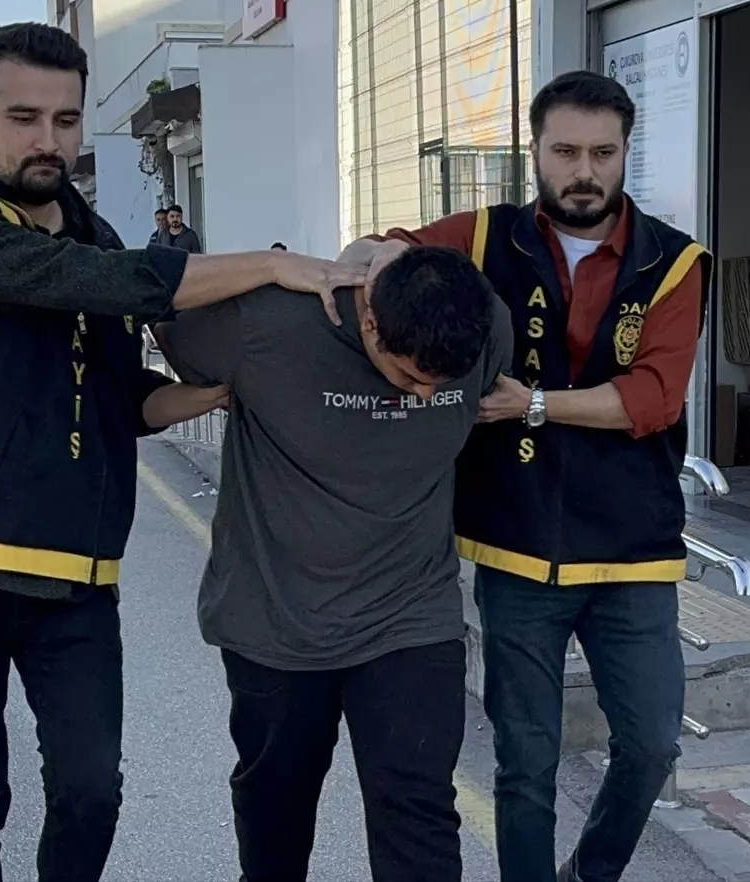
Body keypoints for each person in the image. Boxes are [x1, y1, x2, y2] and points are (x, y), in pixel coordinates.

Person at [0, 21, 364, 882]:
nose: (47, 140)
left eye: (65, 120)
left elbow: (113, 393)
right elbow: (92, 284)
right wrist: (271, 265)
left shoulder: (90, 233)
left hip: (75, 567)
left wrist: (213, 392)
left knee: (92, 792)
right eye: (23, 118)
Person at [343, 70, 711, 882]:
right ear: (535, 151)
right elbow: (381, 250)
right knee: (525, 762)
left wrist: (533, 404)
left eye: (603, 153)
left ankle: (590, 872)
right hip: (515, 549)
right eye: (566, 151)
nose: (585, 171)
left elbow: (654, 398)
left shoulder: (675, 261)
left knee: (652, 744)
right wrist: (369, 265)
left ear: (626, 153)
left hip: (633, 552)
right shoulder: (482, 237)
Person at [152, 246, 513, 882]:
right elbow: (150, 296)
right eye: (410, 378)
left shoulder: (487, 323)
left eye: (442, 386)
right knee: (276, 813)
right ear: (370, 321)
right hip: (276, 619)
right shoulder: (264, 323)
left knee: (419, 813)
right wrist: (268, 264)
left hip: (411, 615)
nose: (426, 394)